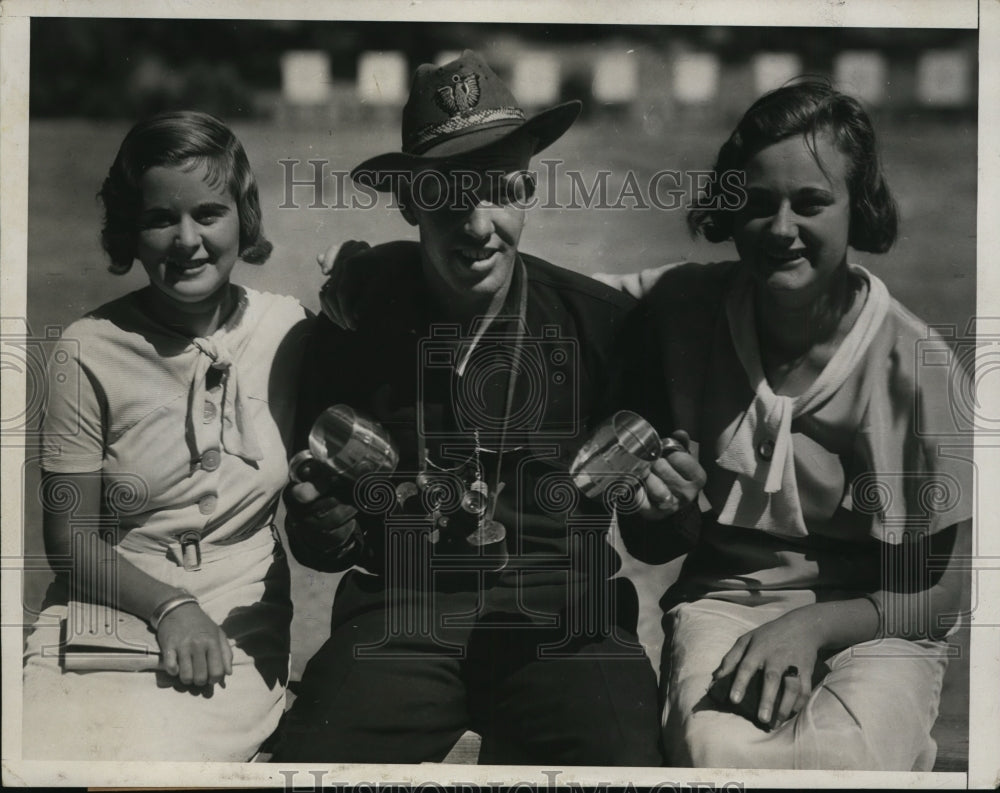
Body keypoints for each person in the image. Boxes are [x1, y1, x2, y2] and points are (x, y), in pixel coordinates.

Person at [271, 50, 704, 766]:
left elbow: (657, 539)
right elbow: (324, 546)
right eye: (448, 197)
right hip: (398, 614)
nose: (478, 227)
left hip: (567, 618)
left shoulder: (605, 325)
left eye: (500, 192)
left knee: (627, 765)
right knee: (310, 765)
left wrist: (669, 503)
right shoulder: (354, 324)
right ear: (409, 202)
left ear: (528, 189)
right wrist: (322, 515)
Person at [612, 80, 973, 770]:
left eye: (810, 203)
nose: (781, 229)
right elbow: (559, 297)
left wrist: (810, 626)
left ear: (857, 207)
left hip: (876, 620)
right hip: (724, 603)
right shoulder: (685, 304)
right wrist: (384, 271)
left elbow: (938, 594)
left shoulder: (914, 367)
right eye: (755, 204)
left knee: (845, 756)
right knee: (717, 747)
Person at [22, 111, 310, 761]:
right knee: (47, 750)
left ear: (244, 217)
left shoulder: (290, 330)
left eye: (209, 213)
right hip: (104, 608)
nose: (186, 240)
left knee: (165, 756)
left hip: (237, 619)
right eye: (159, 219)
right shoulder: (84, 349)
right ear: (130, 228)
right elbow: (69, 539)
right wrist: (169, 605)